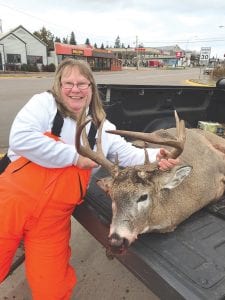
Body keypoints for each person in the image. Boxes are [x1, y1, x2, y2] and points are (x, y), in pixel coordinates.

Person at [0, 58, 179, 299]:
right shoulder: (44, 105)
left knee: (52, 287)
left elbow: (127, 154)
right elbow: (21, 138)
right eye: (69, 83)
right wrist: (75, 157)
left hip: (53, 219)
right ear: (58, 85)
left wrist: (159, 156)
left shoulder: (102, 127)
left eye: (82, 83)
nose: (75, 89)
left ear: (92, 89)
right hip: (12, 204)